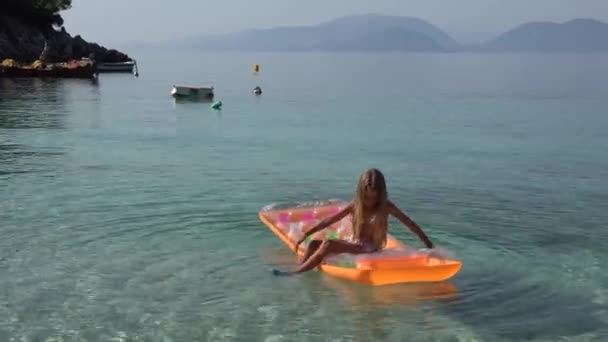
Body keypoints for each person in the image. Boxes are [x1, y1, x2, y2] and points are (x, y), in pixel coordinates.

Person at [272, 168, 434, 276]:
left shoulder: (386, 207)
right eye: (366, 196)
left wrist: (428, 245)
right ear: (360, 192)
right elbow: (330, 220)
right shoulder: (355, 205)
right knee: (314, 244)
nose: (370, 201)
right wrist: (307, 233)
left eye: (374, 197)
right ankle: (300, 266)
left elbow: (409, 223)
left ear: (381, 194)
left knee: (328, 244)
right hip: (355, 243)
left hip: (370, 247)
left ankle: (295, 274)